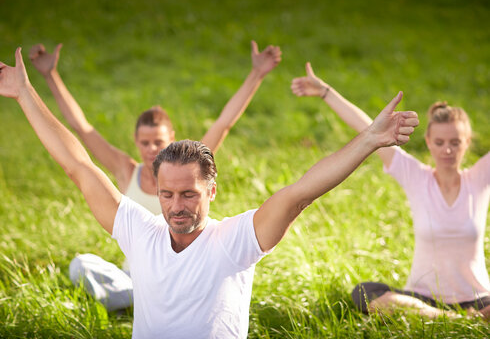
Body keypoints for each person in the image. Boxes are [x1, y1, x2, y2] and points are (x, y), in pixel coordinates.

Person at [0, 48, 418, 338]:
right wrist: (24, 92)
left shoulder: (234, 241)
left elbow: (300, 193)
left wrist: (368, 140)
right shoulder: (139, 231)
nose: (176, 207)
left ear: (212, 191)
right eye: (167, 195)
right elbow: (78, 167)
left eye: (189, 195)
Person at [28, 40, 282, 310]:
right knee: (82, 265)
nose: (151, 149)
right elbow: (82, 128)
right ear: (136, 142)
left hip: (180, 273)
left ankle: (136, 300)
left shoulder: (190, 167)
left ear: (171, 139)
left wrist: (257, 74)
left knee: (171, 284)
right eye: (145, 143)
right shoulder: (127, 171)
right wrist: (50, 75)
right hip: (134, 276)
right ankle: (137, 298)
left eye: (158, 142)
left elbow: (224, 123)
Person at [291, 62, 490, 319]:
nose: (447, 150)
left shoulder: (478, 179)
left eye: (455, 142)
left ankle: (458, 315)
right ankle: (453, 318)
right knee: (364, 293)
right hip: (422, 297)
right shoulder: (415, 176)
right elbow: (366, 128)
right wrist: (325, 91)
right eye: (440, 142)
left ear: (467, 144)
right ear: (428, 142)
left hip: (479, 298)